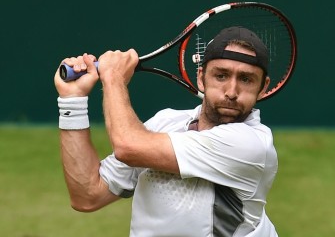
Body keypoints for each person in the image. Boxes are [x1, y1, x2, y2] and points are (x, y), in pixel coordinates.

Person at [54, 26, 278, 237]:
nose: (231, 91)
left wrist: (113, 77)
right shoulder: (165, 122)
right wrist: (72, 101)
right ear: (201, 78)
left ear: (263, 87)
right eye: (221, 76)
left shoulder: (251, 145)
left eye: (246, 79)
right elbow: (87, 196)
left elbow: (128, 146)